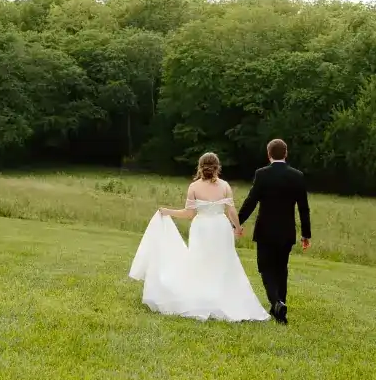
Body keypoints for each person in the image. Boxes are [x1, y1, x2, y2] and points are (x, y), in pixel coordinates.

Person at [127, 152, 269, 322]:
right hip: (221, 228)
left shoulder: (194, 187)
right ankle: (224, 300)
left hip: (202, 228)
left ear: (200, 166)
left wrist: (168, 211)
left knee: (201, 262)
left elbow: (189, 214)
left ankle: (203, 299)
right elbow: (231, 211)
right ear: (218, 167)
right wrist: (238, 227)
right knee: (224, 263)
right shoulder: (225, 186)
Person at [236, 138, 311, 325]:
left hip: (265, 230)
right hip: (286, 231)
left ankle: (276, 302)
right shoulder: (297, 176)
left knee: (265, 268)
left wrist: (236, 222)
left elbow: (251, 201)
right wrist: (306, 234)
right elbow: (304, 207)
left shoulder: (262, 174)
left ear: (268, 154)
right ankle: (280, 310)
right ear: (285, 154)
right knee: (281, 269)